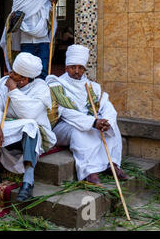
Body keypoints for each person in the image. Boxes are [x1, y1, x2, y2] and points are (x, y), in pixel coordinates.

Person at [45, 44, 128, 185]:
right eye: (73, 67)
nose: (77, 71)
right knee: (80, 131)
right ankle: (89, 172)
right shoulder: (56, 85)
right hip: (63, 127)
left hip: (91, 123)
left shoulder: (92, 86)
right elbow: (65, 113)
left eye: (81, 68)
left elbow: (107, 105)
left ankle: (112, 164)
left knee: (113, 127)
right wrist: (93, 123)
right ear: (66, 67)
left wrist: (105, 121)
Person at [0, 52, 56, 202]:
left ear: (24, 79)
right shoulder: (4, 83)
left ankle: (28, 180)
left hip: (32, 132)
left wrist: (13, 91)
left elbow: (30, 113)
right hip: (9, 128)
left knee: (30, 126)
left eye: (14, 73)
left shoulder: (41, 88)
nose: (9, 74)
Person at [0, 0, 57, 79]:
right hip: (26, 42)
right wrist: (13, 17)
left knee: (43, 70)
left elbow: (49, 17)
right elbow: (12, 21)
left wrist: (52, 6)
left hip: (42, 40)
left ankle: (41, 94)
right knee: (27, 72)